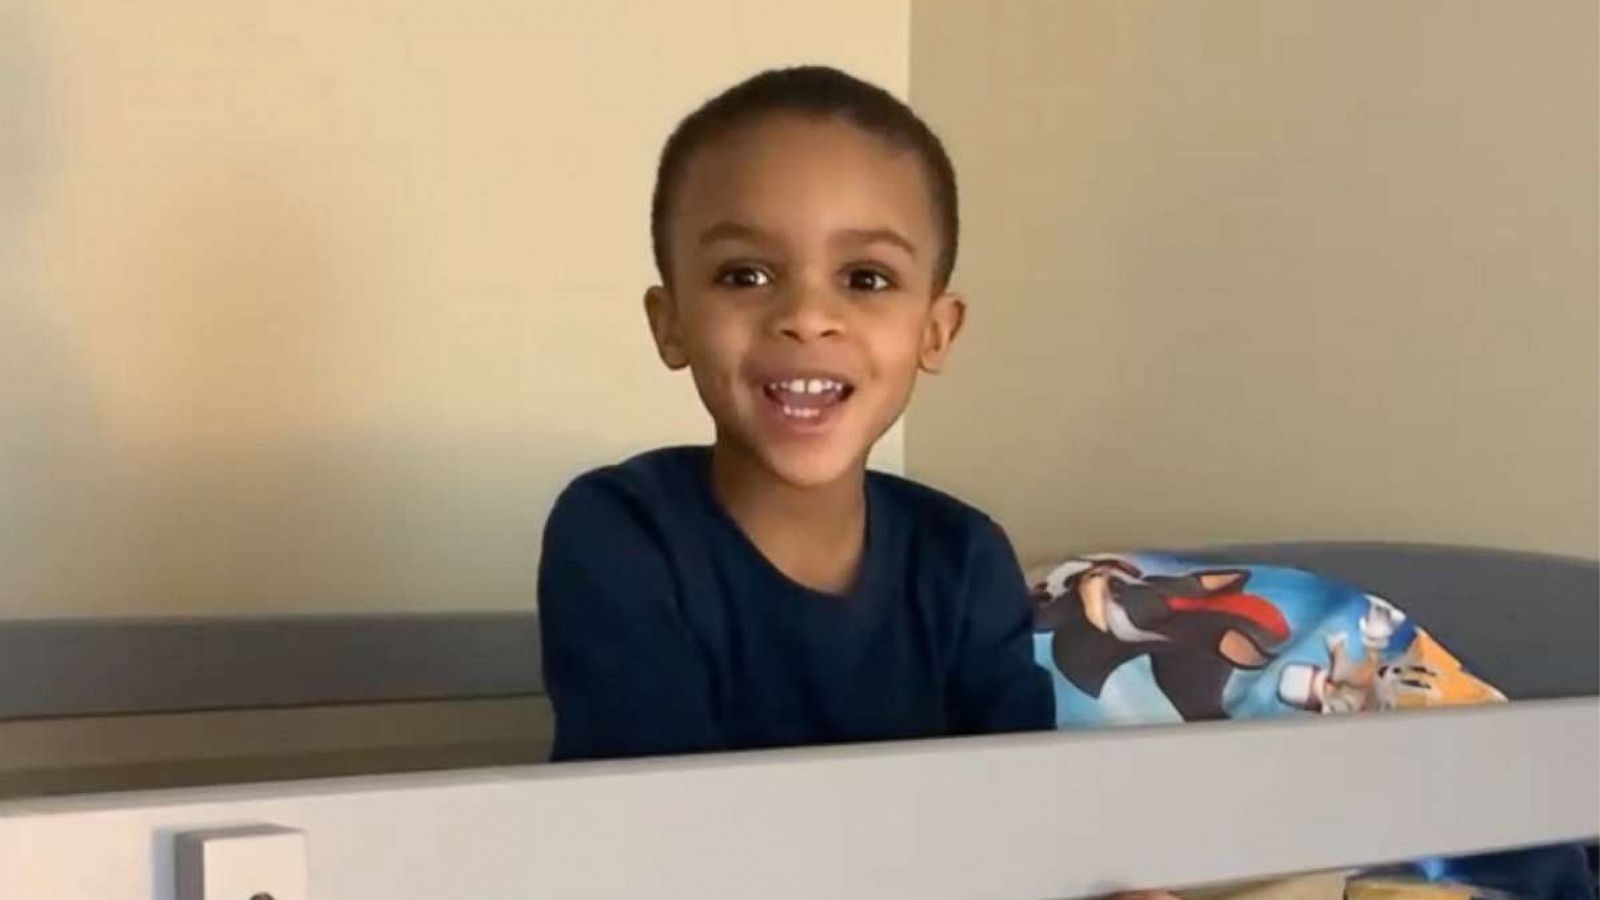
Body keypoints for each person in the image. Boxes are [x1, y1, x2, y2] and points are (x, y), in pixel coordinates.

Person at [537, 65, 1054, 762]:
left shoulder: (964, 559)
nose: (808, 318)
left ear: (936, 331)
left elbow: (1027, 809)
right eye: (745, 275)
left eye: (866, 278)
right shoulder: (619, 533)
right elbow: (654, 835)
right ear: (672, 324)